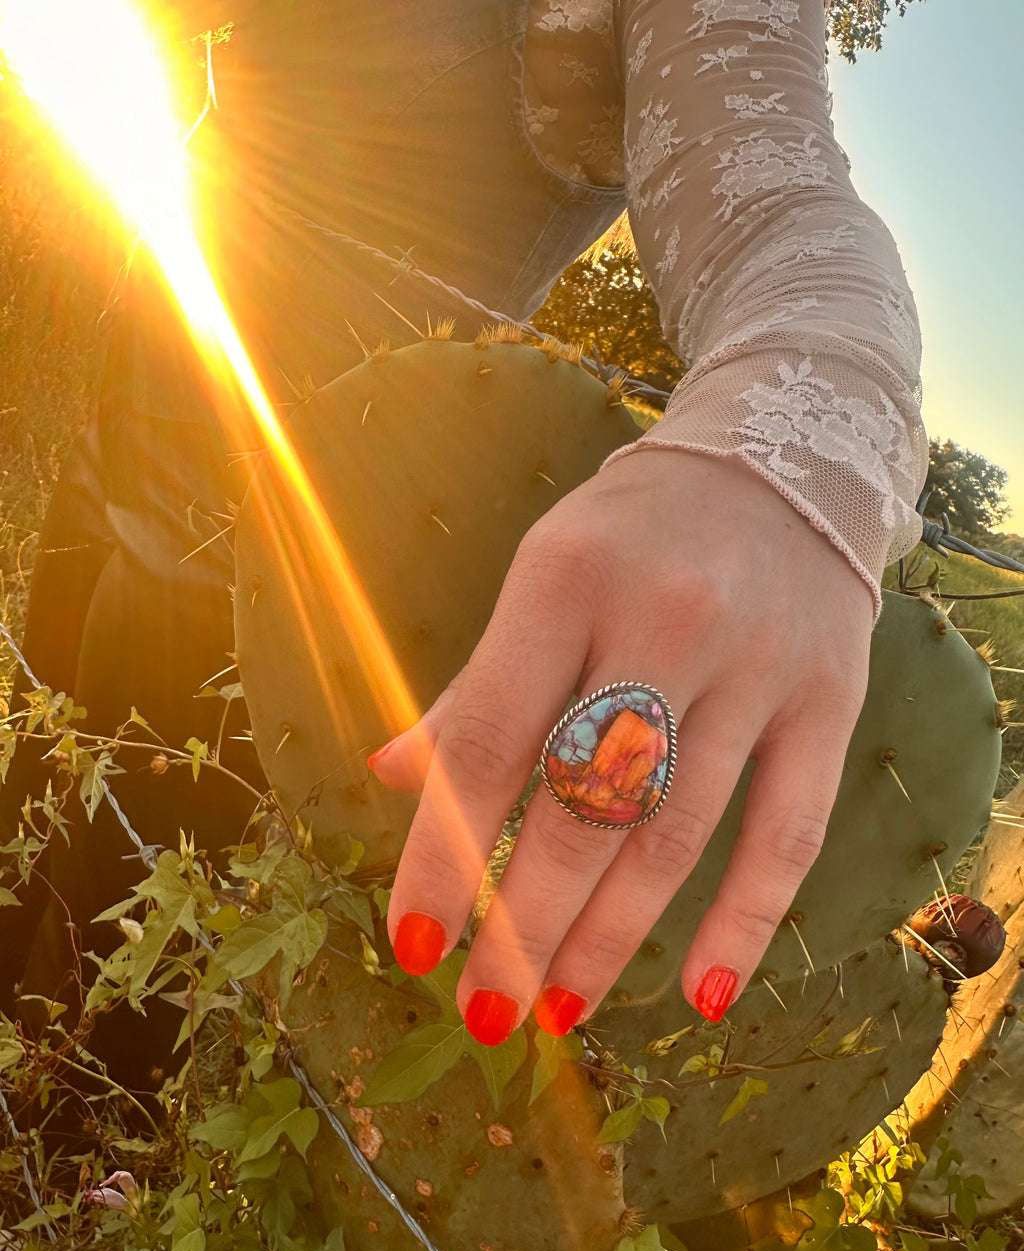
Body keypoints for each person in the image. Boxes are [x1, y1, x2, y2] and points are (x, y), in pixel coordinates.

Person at [1, 0, 926, 1082]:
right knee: (30, 823)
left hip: (273, 579)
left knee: (118, 960)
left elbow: (780, 207)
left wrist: (796, 460)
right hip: (118, 444)